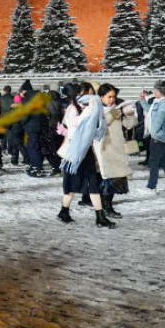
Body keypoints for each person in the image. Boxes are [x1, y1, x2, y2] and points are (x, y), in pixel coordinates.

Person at [56, 87, 114, 227]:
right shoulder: (74, 108)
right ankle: (65, 211)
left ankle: (98, 216)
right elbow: (74, 123)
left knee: (91, 183)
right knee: (73, 184)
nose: (92, 97)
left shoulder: (89, 108)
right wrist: (89, 112)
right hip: (75, 151)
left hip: (85, 151)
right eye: (90, 93)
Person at [94, 84, 137, 219]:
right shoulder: (95, 110)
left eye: (113, 97)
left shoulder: (115, 109)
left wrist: (130, 115)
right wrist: (109, 116)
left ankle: (104, 205)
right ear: (101, 97)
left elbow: (128, 125)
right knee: (108, 178)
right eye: (109, 97)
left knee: (114, 178)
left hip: (117, 148)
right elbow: (95, 128)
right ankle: (105, 206)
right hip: (104, 149)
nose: (112, 100)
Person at [141, 80, 165, 197]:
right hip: (162, 137)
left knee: (154, 162)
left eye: (156, 89)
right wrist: (142, 100)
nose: (154, 91)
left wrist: (153, 132)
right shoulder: (158, 101)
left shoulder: (164, 102)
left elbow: (160, 116)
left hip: (159, 137)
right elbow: (149, 110)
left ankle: (151, 187)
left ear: (161, 91)